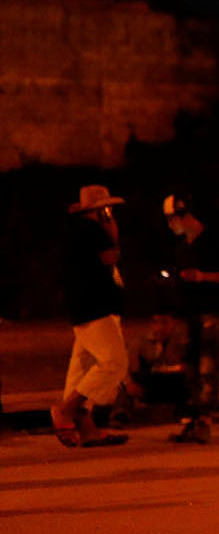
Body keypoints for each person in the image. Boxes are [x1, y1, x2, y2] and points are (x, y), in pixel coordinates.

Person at [55, 185, 130, 448]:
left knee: (83, 367)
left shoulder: (74, 232)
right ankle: (67, 409)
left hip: (82, 308)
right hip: (95, 307)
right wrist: (110, 227)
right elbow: (112, 256)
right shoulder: (93, 231)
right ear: (100, 210)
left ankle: (85, 427)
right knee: (115, 362)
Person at [163, 194, 219, 443]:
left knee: (208, 368)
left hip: (212, 312)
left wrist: (203, 276)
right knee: (189, 369)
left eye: (172, 219)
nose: (170, 225)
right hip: (190, 314)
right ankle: (192, 420)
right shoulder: (182, 247)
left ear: (185, 216)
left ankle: (205, 421)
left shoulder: (215, 240)